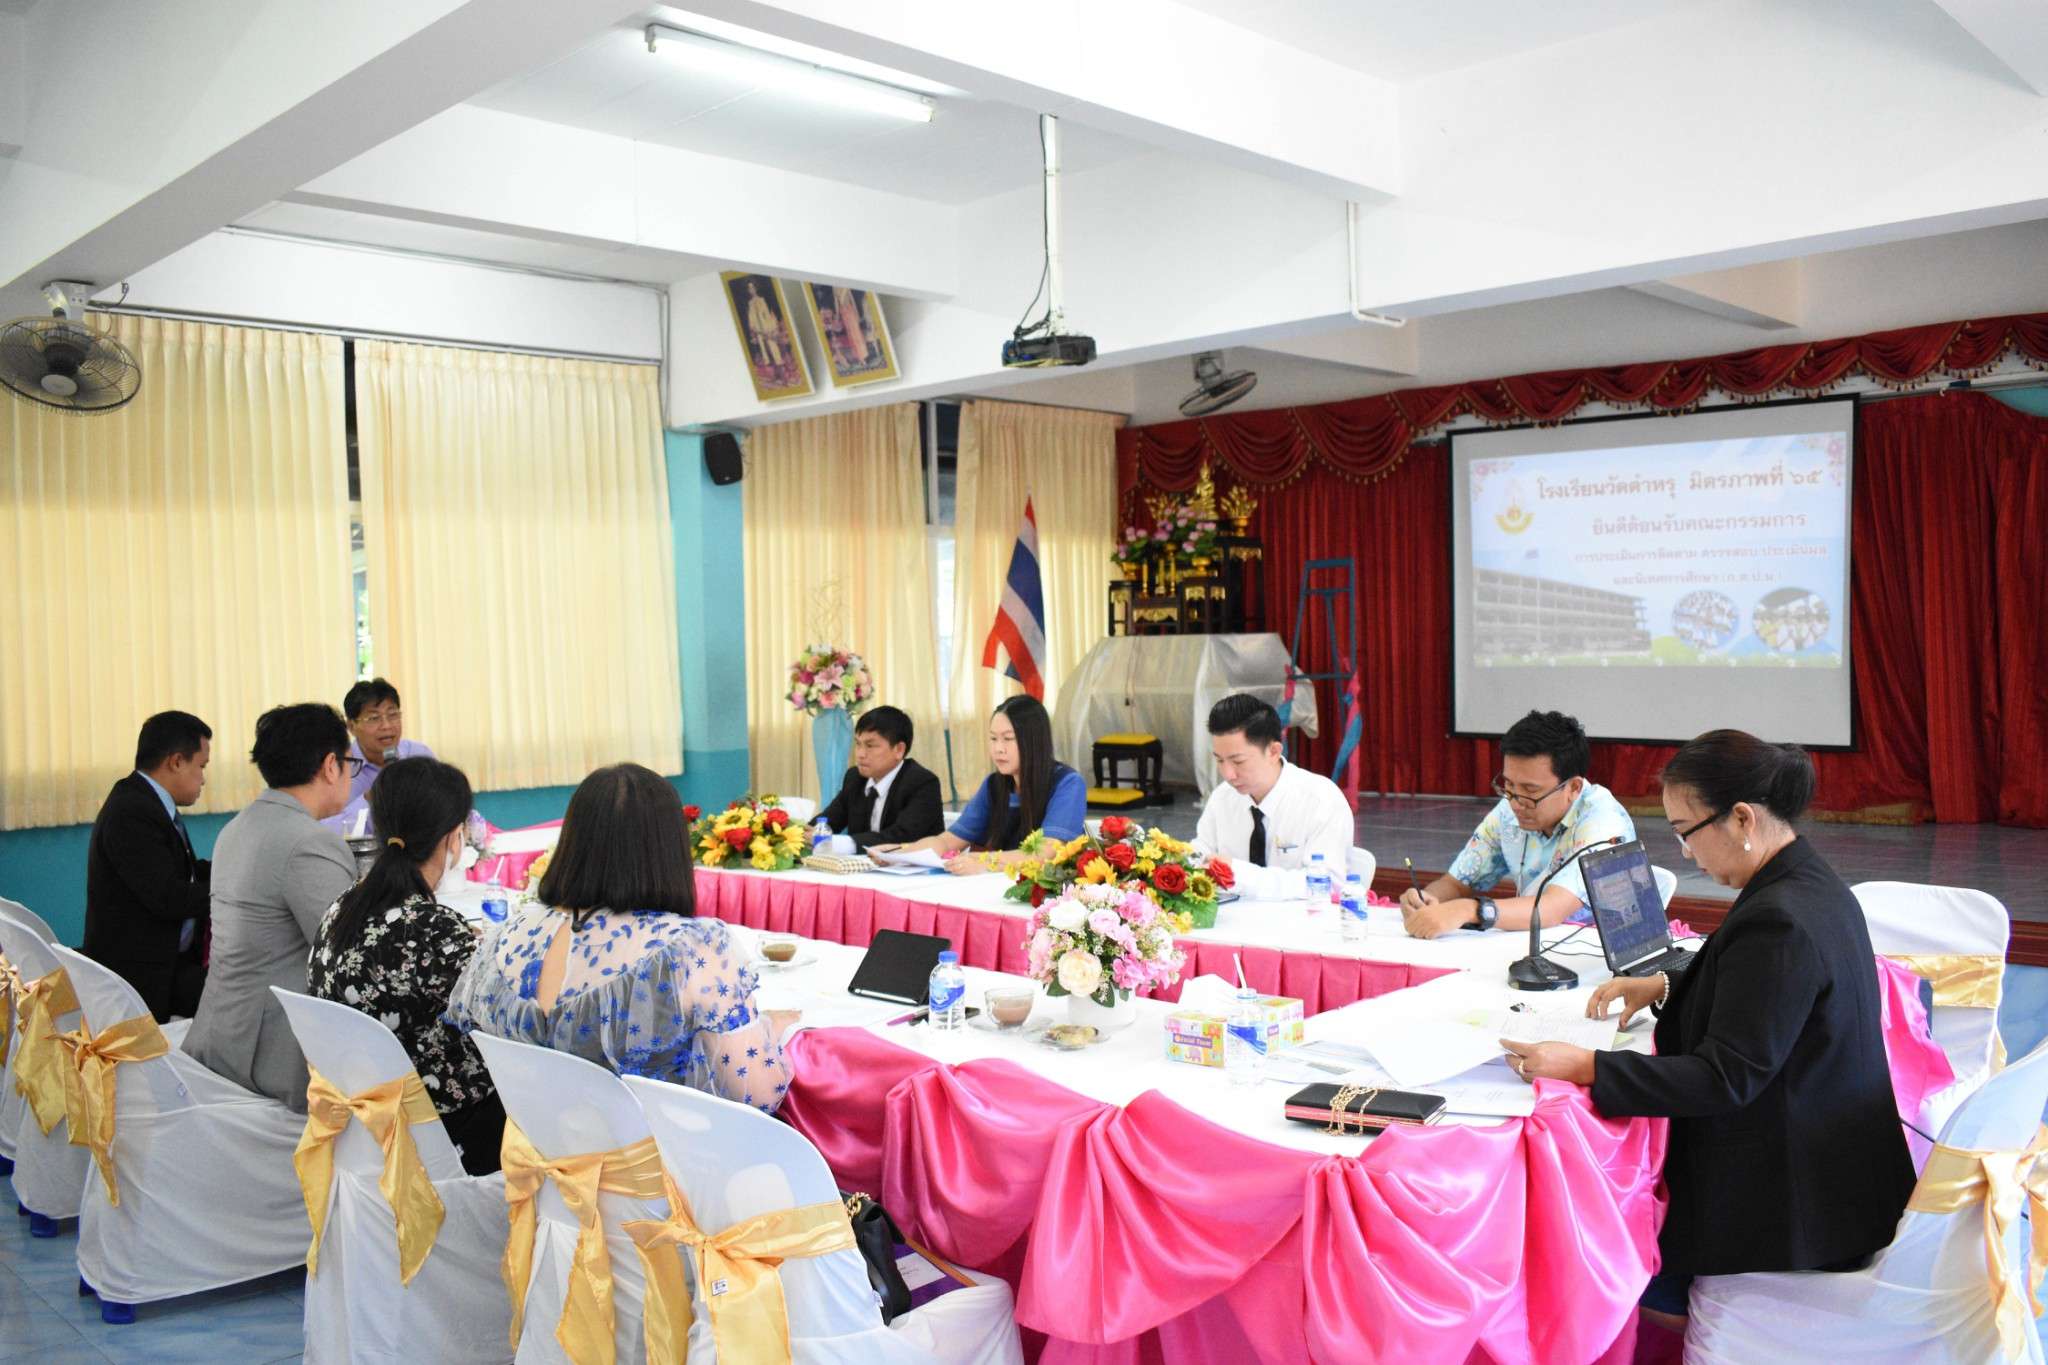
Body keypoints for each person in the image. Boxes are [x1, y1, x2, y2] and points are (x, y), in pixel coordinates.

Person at [1501, 730, 1914, 1332]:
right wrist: (1666, 985)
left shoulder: (1778, 919)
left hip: (1801, 1204)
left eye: (1686, 831)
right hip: (1835, 1169)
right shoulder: (1805, 880)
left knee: (1606, 1256)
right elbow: (1764, 998)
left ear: (1741, 818)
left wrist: (1586, 1066)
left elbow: (1725, 1077)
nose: (1686, 853)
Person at [443, 764, 793, 1113]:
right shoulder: (690, 948)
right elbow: (758, 1094)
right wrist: (771, 1031)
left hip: (535, 1144)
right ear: (668, 849)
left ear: (572, 841)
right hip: (655, 1148)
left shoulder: (506, 933)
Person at [309, 757, 504, 1175]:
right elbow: (504, 1018)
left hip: (365, 1119)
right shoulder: (432, 928)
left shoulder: (343, 907)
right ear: (454, 837)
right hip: (439, 1127)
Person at [183, 703, 358, 1112]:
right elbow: (348, 954)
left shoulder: (238, 826)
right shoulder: (309, 842)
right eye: (350, 763)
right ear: (330, 766)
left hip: (219, 1031)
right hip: (269, 1058)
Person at [1399, 709, 1634, 938]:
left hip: (1597, 947)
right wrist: (1426, 900)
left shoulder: (1604, 824)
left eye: (1531, 790)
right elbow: (1457, 883)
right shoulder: (1509, 810)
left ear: (1573, 788)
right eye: (1509, 785)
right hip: (1534, 942)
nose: (1516, 804)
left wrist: (1468, 910)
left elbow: (1551, 909)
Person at [83, 711, 215, 1021]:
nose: (203, 778)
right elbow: (168, 898)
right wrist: (236, 890)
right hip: (143, 978)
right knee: (244, 998)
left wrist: (234, 866)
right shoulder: (132, 812)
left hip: (163, 963)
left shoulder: (144, 800)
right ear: (176, 762)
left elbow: (184, 871)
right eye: (201, 766)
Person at [878, 695, 1086, 874]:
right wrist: (898, 853)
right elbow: (947, 841)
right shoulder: (993, 785)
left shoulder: (1067, 783)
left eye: (1008, 739)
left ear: (1034, 740)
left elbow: (1047, 852)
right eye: (993, 739)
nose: (998, 749)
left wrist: (984, 861)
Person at [1193, 693, 1352, 899]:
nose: (1228, 774)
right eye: (1220, 760)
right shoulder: (1222, 797)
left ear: (1274, 752)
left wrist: (1239, 875)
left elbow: (1327, 883)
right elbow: (1201, 851)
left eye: (1238, 761)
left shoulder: (1321, 800)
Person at [817, 705, 944, 850]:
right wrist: (803, 833)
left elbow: (901, 836)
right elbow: (828, 821)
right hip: (863, 863)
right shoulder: (855, 777)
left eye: (870, 746)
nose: (860, 754)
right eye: (858, 744)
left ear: (899, 750)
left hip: (912, 863)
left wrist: (845, 843)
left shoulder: (923, 783)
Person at [323, 678, 434, 836]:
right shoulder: (338, 768)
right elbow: (326, 829)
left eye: (393, 715)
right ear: (351, 726)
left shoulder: (419, 754)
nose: (387, 726)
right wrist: (371, 798)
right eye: (374, 718)